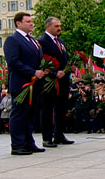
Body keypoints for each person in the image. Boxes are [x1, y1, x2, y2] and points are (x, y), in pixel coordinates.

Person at [4, 12, 46, 155]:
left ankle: (29, 142)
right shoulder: (13, 40)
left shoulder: (33, 40)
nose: (31, 23)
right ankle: (17, 145)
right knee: (19, 115)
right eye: (28, 21)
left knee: (30, 115)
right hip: (22, 84)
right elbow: (13, 61)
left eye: (31, 21)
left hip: (35, 84)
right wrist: (33, 72)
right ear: (18, 23)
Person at [37, 17, 74, 147]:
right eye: (56, 26)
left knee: (62, 107)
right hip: (50, 81)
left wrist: (70, 67)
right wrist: (54, 72)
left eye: (60, 26)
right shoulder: (41, 41)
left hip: (63, 80)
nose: (59, 28)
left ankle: (59, 134)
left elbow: (65, 58)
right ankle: (47, 138)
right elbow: (41, 61)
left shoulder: (60, 41)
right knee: (47, 109)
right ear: (48, 26)